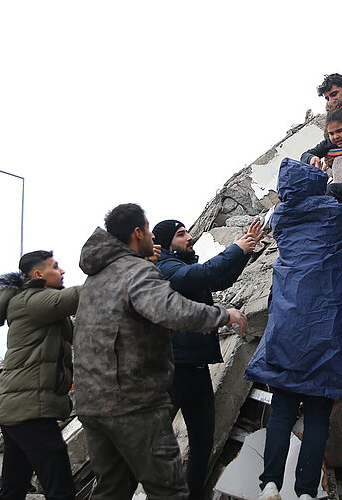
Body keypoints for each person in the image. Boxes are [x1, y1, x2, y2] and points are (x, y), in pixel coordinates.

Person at [73, 203, 247, 500]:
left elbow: (133, 325)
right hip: (131, 402)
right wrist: (220, 316)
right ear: (138, 232)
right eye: (149, 229)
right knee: (168, 489)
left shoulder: (96, 278)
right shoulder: (136, 271)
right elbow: (170, 309)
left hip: (92, 403)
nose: (153, 237)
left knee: (112, 489)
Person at [245, 158, 342, 500]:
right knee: (319, 414)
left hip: (288, 326)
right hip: (326, 327)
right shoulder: (334, 214)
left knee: (283, 410)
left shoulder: (281, 218)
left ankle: (270, 485)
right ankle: (306, 492)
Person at [152, 218, 263, 498]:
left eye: (187, 231)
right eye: (181, 234)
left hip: (196, 368)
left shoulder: (184, 265)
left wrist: (245, 251)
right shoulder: (164, 268)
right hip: (173, 369)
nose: (189, 237)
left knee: (202, 443)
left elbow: (218, 278)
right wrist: (235, 248)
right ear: (166, 243)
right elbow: (200, 275)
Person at [0, 251, 79, 500]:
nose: (62, 271)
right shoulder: (32, 300)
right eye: (56, 267)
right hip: (31, 412)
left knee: (13, 488)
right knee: (59, 488)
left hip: (20, 410)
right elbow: (78, 296)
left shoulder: (31, 300)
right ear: (38, 274)